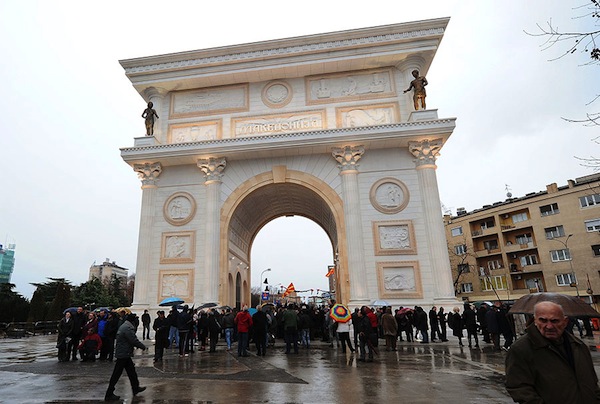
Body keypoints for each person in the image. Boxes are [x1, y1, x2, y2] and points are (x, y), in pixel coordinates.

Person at [505, 301, 600, 403]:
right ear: (535, 321)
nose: (549, 326)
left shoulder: (578, 346)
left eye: (554, 321)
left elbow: (592, 383)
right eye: (543, 320)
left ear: (565, 322)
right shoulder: (521, 349)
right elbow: (519, 389)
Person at [104, 314, 147, 401]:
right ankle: (109, 393)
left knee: (132, 372)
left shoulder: (125, 326)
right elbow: (133, 340)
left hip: (125, 353)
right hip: (123, 354)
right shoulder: (127, 328)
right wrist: (143, 346)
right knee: (116, 374)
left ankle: (135, 388)